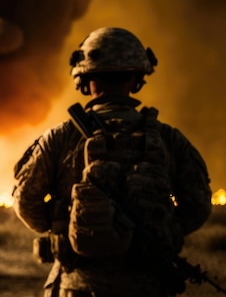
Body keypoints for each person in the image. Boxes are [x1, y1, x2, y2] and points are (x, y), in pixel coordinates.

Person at [11, 27, 212, 296]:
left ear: (84, 78)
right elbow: (198, 205)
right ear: (137, 78)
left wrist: (67, 222)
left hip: (77, 285)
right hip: (149, 284)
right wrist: (158, 229)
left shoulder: (59, 138)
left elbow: (26, 202)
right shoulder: (168, 139)